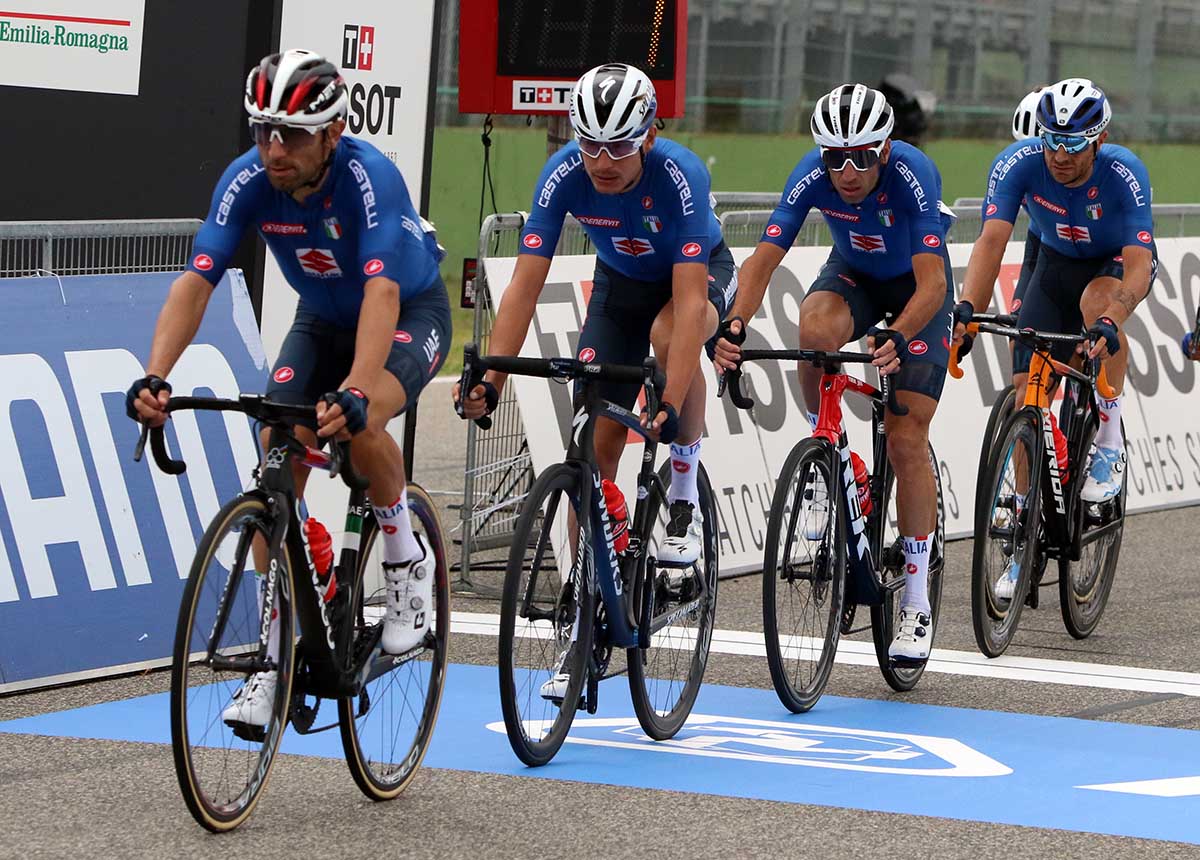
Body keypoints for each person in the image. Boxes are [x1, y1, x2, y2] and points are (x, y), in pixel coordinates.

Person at [126, 50, 451, 726]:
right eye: (263, 130)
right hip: (321, 320)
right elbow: (197, 281)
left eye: (294, 133)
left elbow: (383, 292)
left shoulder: (371, 179)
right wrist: (157, 375)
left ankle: (404, 562)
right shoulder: (247, 180)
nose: (274, 148)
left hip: (405, 314)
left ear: (333, 133)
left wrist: (357, 390)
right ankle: (276, 659)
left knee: (360, 426)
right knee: (276, 450)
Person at [453, 62, 736, 696]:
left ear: (650, 137)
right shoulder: (563, 177)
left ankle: (684, 481)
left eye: (619, 146)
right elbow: (525, 286)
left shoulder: (679, 176)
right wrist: (493, 378)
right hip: (619, 290)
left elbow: (690, 308)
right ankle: (586, 612)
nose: (602, 162)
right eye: (589, 145)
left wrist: (669, 392)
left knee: (668, 342)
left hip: (694, 283)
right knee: (593, 452)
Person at [713, 83, 955, 664]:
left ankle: (917, 602)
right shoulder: (813, 175)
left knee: (905, 440)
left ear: (886, 149)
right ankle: (826, 455)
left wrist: (898, 333)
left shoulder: (914, 175)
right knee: (814, 329)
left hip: (916, 289)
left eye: (862, 157)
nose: (847, 171)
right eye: (834, 158)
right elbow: (764, 258)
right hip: (854, 270)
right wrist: (736, 323)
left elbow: (933, 285)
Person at [954, 78, 1156, 599]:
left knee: (1097, 307)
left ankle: (1107, 436)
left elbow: (1138, 265)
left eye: (1072, 143)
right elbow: (992, 240)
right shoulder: (1018, 164)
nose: (1059, 154)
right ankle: (1025, 522)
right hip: (1054, 264)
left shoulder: (1124, 172)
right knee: (1027, 389)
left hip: (1111, 267)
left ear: (1099, 138)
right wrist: (967, 311)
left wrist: (1114, 317)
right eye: (1050, 140)